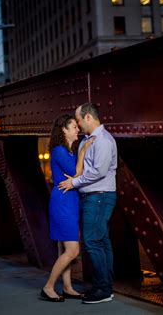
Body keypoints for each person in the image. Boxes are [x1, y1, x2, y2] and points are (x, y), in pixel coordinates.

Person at [58, 103, 117, 304]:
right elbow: (81, 169)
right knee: (101, 241)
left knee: (92, 241)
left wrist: (74, 182)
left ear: (89, 118)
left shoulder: (103, 140)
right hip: (93, 197)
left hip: (99, 196)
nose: (79, 125)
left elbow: (98, 172)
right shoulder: (86, 141)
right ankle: (106, 286)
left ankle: (103, 289)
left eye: (80, 120)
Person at [41, 114, 94, 302]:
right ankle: (48, 287)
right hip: (62, 202)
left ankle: (68, 287)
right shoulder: (59, 151)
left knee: (65, 249)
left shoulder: (68, 151)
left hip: (69, 201)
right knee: (72, 250)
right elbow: (77, 173)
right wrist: (83, 152)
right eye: (74, 127)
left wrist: (78, 162)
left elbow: (78, 176)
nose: (77, 130)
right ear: (64, 129)